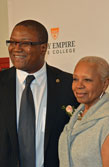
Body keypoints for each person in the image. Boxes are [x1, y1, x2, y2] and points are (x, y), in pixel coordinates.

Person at [0, 20, 78, 167]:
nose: (16, 48)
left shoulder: (69, 85)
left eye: (25, 43)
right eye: (12, 42)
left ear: (43, 48)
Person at [59, 56, 109, 167]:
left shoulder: (108, 123)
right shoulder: (77, 116)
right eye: (75, 79)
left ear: (105, 83)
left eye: (87, 80)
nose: (79, 86)